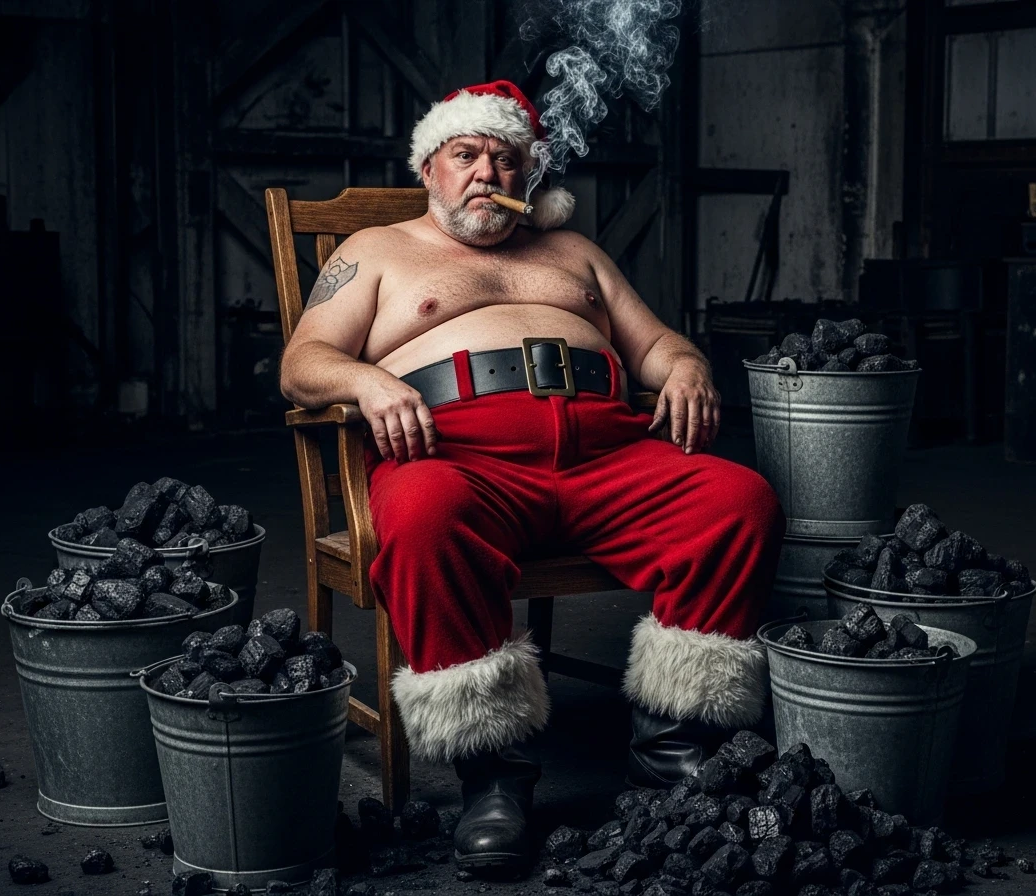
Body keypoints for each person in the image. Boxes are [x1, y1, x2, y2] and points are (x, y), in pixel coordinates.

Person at [279, 80, 784, 876]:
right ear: (430, 169)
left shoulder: (577, 254)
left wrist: (685, 366)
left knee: (737, 500)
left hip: (608, 456)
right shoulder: (374, 251)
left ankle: (671, 754)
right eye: (467, 155)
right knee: (422, 512)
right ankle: (495, 781)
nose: (488, 173)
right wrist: (369, 383)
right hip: (460, 459)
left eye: (507, 160)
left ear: (530, 177)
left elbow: (658, 345)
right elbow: (303, 364)